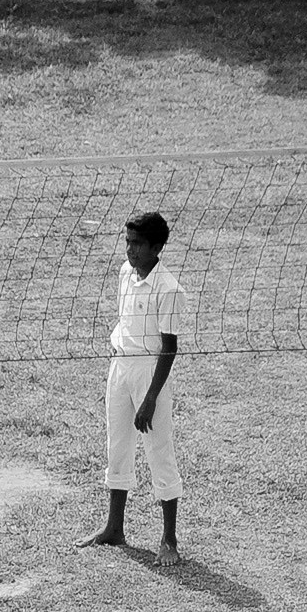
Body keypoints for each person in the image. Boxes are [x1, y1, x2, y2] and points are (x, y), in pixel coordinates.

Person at [81, 210, 186, 567]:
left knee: (158, 449)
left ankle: (169, 538)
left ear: (157, 247)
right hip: (120, 365)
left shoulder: (169, 289)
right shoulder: (126, 273)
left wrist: (151, 397)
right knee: (117, 445)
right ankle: (114, 528)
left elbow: (169, 347)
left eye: (138, 244)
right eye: (128, 242)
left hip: (149, 372)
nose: (130, 250)